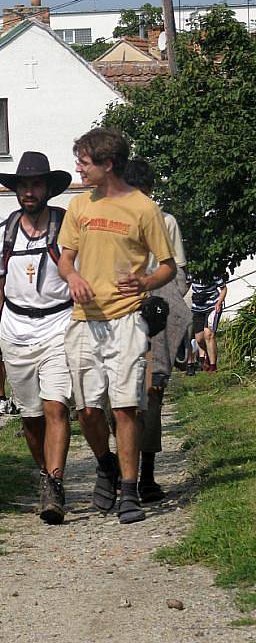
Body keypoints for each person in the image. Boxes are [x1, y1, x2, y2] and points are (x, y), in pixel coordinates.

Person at [58, 128, 176, 525]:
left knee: (126, 407)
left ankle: (129, 491)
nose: (79, 168)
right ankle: (105, 463)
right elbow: (64, 258)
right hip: (84, 320)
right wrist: (72, 277)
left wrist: (145, 282)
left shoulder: (144, 209)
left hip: (127, 318)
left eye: (85, 162)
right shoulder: (78, 206)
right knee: (88, 411)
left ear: (108, 165)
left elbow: (167, 265)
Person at [0, 151, 74, 525]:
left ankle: (55, 482)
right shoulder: (4, 233)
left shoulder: (66, 227)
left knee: (57, 407)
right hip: (16, 330)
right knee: (31, 419)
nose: (28, 191)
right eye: (23, 185)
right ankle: (46, 475)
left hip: (59, 324)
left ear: (48, 188)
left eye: (35, 184)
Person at [124, 157, 191, 502]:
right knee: (120, 398)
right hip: (121, 314)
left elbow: (177, 274)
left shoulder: (166, 223)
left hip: (156, 319)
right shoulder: (116, 224)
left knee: (151, 393)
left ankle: (145, 475)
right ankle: (122, 474)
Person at [190, 276, 227, 372]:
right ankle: (208, 354)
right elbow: (186, 286)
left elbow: (223, 288)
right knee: (199, 339)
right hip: (197, 308)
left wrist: (219, 303)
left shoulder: (212, 272)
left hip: (212, 305)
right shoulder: (190, 272)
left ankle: (213, 366)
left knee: (208, 334)